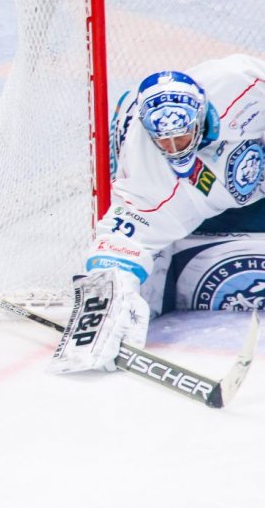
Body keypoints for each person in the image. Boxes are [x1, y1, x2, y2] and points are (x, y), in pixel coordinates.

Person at [49, 53, 265, 373]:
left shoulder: (241, 81)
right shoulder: (146, 166)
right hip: (181, 187)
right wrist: (102, 303)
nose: (175, 148)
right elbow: (123, 235)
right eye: (165, 140)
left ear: (200, 114)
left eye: (182, 136)